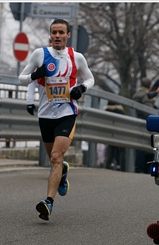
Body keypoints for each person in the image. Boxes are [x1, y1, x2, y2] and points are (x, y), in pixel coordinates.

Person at [19, 19, 95, 221]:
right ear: (50, 35)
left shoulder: (76, 57)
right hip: (45, 115)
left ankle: (48, 203)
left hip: (67, 113)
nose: (58, 36)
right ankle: (63, 171)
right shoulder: (40, 54)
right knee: (54, 160)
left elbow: (90, 78)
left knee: (55, 157)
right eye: (54, 32)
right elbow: (21, 78)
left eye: (61, 32)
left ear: (68, 35)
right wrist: (36, 75)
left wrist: (81, 88)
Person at [132, 77, 155, 173]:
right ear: (150, 87)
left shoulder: (136, 94)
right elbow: (149, 112)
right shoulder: (146, 96)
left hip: (136, 124)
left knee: (139, 148)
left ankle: (138, 169)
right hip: (146, 125)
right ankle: (144, 170)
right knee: (146, 149)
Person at [103, 102, 125, 170]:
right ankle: (120, 166)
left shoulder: (106, 111)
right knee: (120, 150)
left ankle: (109, 165)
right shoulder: (120, 111)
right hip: (119, 134)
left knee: (111, 150)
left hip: (109, 134)